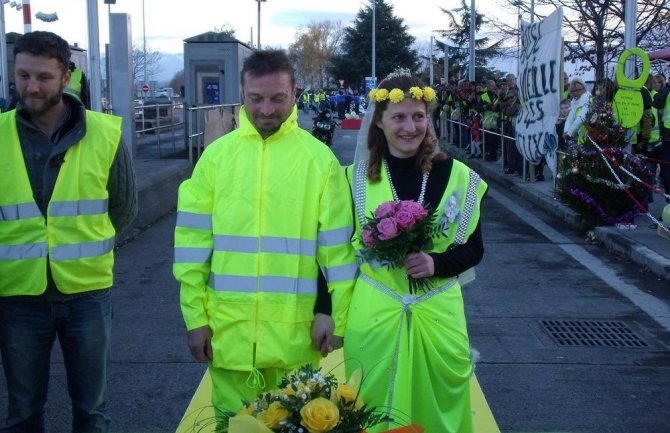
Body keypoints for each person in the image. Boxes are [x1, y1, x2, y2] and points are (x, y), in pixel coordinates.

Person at [172, 49, 357, 419]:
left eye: (278, 98)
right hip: (229, 336)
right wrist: (195, 319)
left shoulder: (320, 162)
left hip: (297, 340)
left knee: (296, 424)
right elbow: (191, 249)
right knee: (232, 425)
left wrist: (337, 316)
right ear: (242, 95)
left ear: (295, 94)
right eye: (256, 98)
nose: (267, 109)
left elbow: (338, 253)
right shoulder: (215, 159)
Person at [0, 31, 137, 432]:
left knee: (91, 413)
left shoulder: (104, 133)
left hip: (87, 296)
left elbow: (125, 206)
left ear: (66, 77)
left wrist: (82, 247)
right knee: (22, 414)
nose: (31, 86)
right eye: (23, 75)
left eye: (43, 77)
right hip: (18, 295)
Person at [344, 71, 487, 432]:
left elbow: (475, 248)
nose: (410, 127)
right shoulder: (354, 179)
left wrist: (435, 262)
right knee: (370, 406)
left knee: (442, 405)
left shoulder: (457, 176)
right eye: (399, 117)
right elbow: (336, 254)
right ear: (379, 121)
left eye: (419, 116)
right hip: (375, 311)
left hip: (438, 311)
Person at [563, 77, 592, 144]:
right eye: (572, 91)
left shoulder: (588, 100)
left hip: (587, 136)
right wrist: (566, 131)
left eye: (577, 90)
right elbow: (570, 117)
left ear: (583, 89)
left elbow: (581, 118)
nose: (575, 93)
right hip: (577, 135)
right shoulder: (574, 101)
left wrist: (569, 133)